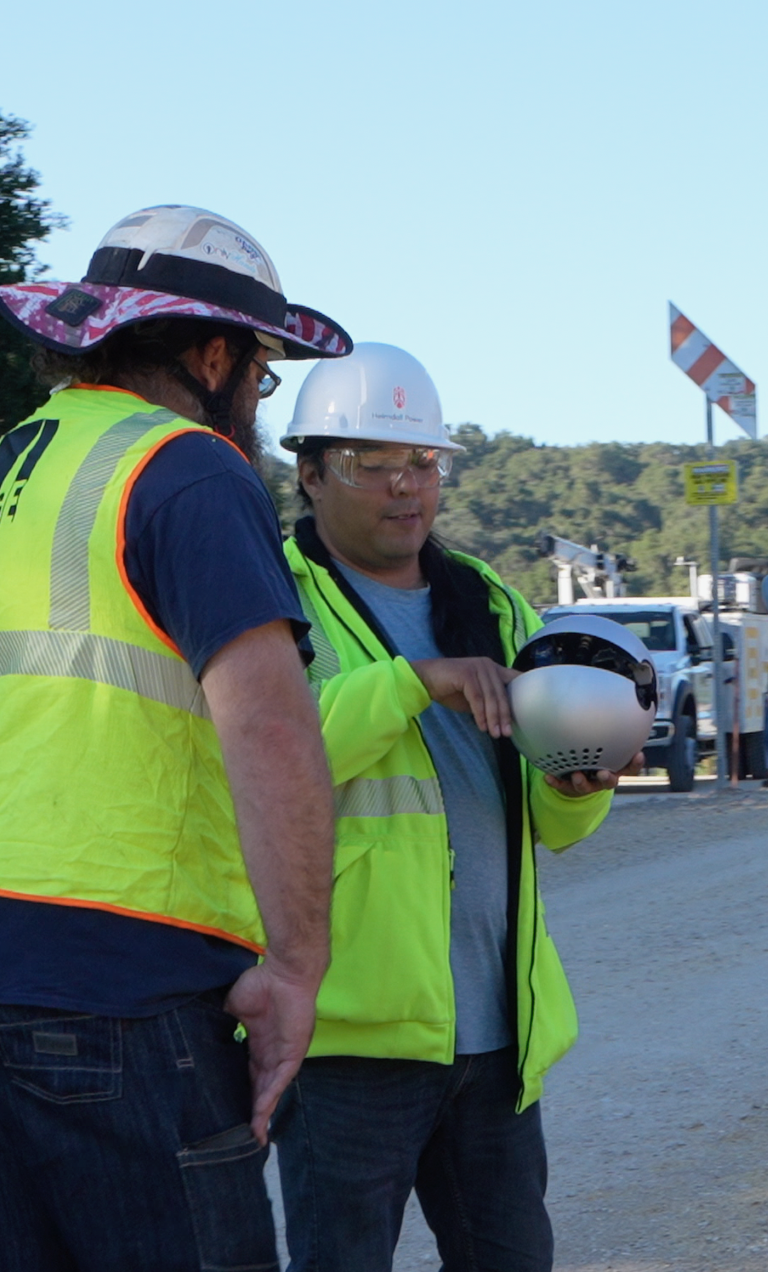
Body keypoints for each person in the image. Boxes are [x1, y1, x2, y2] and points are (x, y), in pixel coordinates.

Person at [0, 205, 352, 1272]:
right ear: (214, 354)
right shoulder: (186, 468)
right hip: (121, 983)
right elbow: (269, 726)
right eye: (262, 380)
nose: (257, 410)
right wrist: (296, 968)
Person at [270, 342, 640, 1272]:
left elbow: (548, 825)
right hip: (347, 1036)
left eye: (424, 463)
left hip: (494, 1028)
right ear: (309, 473)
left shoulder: (492, 600)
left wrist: (574, 782)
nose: (407, 488)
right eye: (372, 464)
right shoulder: (274, 597)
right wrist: (412, 682)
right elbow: (266, 755)